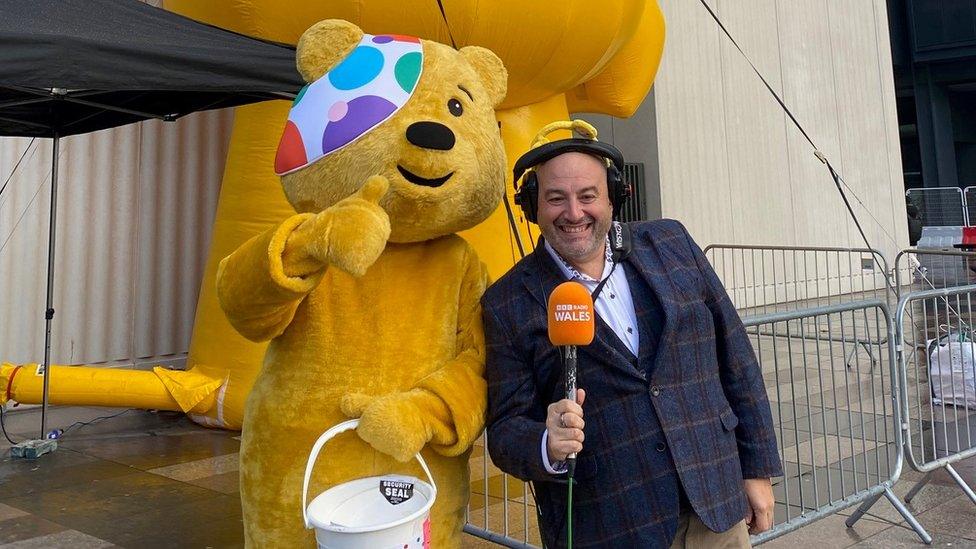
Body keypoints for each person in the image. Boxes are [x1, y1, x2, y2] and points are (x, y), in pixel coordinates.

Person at [483, 120, 783, 548]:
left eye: (588, 196)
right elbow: (506, 430)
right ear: (532, 206)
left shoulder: (672, 241)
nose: (574, 213)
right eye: (555, 198)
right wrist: (547, 442)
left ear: (614, 197)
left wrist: (757, 468)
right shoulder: (506, 302)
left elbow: (735, 359)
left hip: (715, 503)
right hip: (609, 526)